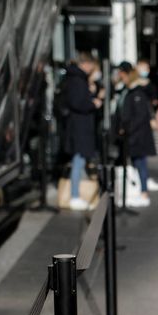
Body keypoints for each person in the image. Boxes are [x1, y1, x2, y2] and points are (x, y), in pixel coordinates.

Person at [62, 53, 102, 211]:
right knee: (78, 161)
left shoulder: (77, 79)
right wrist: (93, 103)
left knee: (80, 160)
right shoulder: (77, 80)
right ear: (86, 64)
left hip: (80, 127)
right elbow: (79, 103)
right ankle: (74, 195)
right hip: (79, 127)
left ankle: (77, 194)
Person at [118, 69, 157, 207]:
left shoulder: (137, 94)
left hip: (138, 136)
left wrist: (127, 129)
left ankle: (143, 192)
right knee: (136, 164)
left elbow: (139, 117)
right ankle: (140, 191)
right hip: (135, 136)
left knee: (140, 164)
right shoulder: (130, 93)